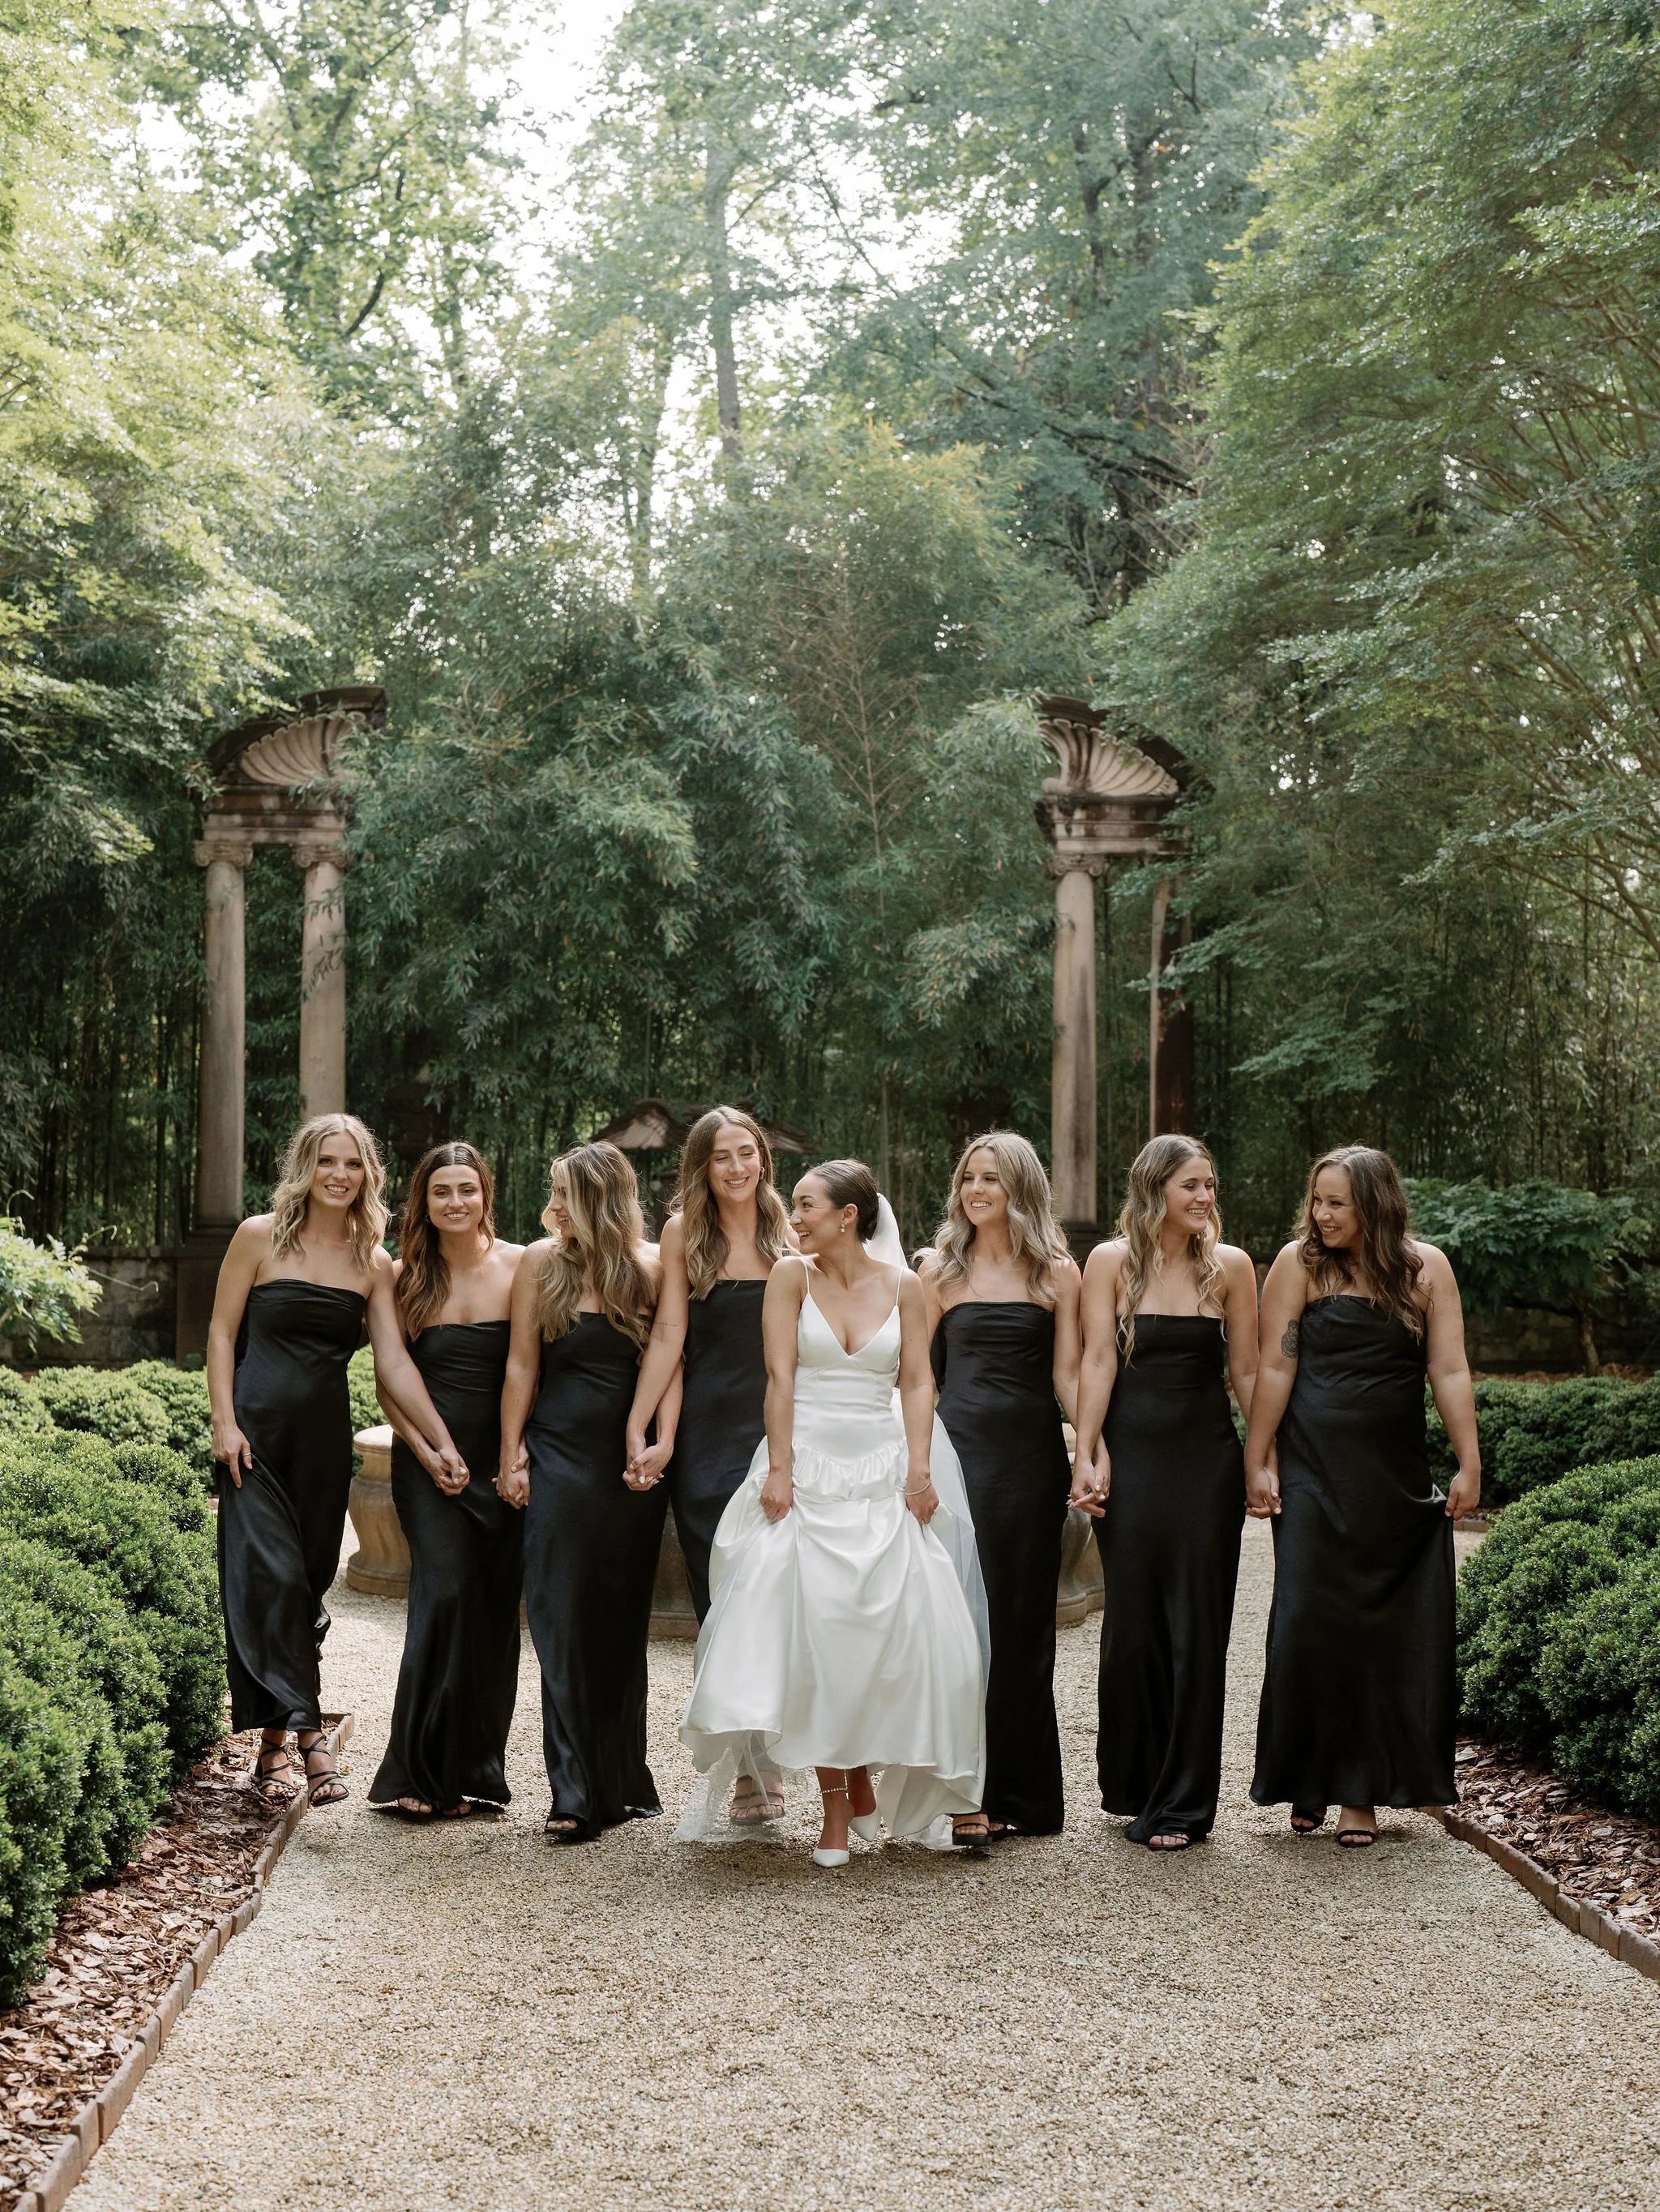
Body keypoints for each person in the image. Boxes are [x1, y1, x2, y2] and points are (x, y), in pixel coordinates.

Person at [678, 1158, 985, 1868]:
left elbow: (917, 1380)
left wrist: (918, 1468)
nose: (794, 1217)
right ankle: (837, 1807)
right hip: (807, 1468)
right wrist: (780, 1469)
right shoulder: (792, 1276)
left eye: (807, 1204)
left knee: (882, 1637)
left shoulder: (905, 1285)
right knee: (810, 1632)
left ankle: (865, 1784)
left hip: (880, 1470)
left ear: (849, 1216)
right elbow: (779, 1377)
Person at [208, 1114, 467, 1810]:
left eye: (353, 1163)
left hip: (323, 1446)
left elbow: (395, 1363)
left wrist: (441, 1439)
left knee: (304, 1585)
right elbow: (222, 1332)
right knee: (273, 1578)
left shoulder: (372, 1261)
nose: (340, 1174)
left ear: (368, 1174)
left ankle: (271, 1748)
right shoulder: (258, 1236)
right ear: (306, 1165)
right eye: (328, 1160)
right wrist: (224, 1422)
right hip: (254, 1442)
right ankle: (311, 1740)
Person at [1245, 1144, 1481, 1847]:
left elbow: (1449, 1368)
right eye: (1316, 1200)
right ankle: (1306, 1776)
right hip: (1312, 1472)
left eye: (1336, 1202)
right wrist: (1258, 1458)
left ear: (1374, 1203)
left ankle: (1358, 1795)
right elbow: (1275, 1364)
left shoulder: (1426, 1269)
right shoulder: (1298, 1264)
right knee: (1306, 1619)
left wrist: (1469, 1461)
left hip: (1392, 1479)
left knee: (1381, 1631)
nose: (1321, 1214)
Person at [1072, 1136, 1260, 1850]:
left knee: (1199, 1629)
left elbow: (1248, 1372)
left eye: (1210, 1184)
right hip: (1133, 1466)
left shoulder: (1232, 1267)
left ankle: (1183, 1804)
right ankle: (1136, 1782)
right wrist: (1087, 1452)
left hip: (1207, 1466)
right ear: (1155, 1190)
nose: (1206, 1196)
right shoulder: (1109, 1261)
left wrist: (1261, 1459)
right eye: (1191, 1185)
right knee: (1133, 1630)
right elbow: (1096, 1360)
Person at [498, 1141, 677, 1842]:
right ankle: (571, 1790)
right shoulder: (539, 1263)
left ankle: (617, 1781)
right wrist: (511, 1452)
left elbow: (673, 1361)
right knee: (558, 1616)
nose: (555, 1206)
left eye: (565, 1193)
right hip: (559, 1457)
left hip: (629, 1469)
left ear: (599, 1199)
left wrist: (659, 1441)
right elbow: (521, 1364)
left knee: (618, 1623)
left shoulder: (654, 1266)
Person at [624, 1106, 795, 1826]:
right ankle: (749, 1767)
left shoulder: (793, 1231)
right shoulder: (682, 1234)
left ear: (763, 1159)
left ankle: (776, 1755)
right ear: (702, 1166)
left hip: (777, 1437)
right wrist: (645, 1426)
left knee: (776, 1602)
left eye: (746, 1152)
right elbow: (670, 1335)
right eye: (721, 1156)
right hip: (705, 1443)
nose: (736, 1167)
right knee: (720, 1602)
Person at [918, 1131, 1080, 1841]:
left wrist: (1094, 1448)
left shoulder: (1058, 1273)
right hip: (959, 1461)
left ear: (1021, 1187)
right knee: (961, 1623)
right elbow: (918, 1379)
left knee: (1023, 1622)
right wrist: (915, 1464)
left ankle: (1028, 1797)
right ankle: (966, 1795)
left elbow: (1068, 1375)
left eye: (992, 1177)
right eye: (969, 1178)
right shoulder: (937, 1272)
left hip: (1033, 1462)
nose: (977, 1190)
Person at [368, 1143, 525, 1822]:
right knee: (443, 1594)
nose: (455, 1201)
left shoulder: (522, 1266)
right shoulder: (402, 1277)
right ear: (423, 1202)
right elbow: (388, 1380)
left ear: (486, 1193)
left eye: (467, 1188)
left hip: (503, 1464)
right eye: (441, 1191)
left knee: (492, 1610)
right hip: (429, 1467)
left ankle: (474, 1772)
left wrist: (518, 1455)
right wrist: (428, 1449)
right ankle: (415, 1770)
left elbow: (533, 1366)